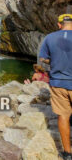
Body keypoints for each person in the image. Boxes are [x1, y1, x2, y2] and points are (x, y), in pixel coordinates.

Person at [39, 14, 72, 160]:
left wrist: (54, 60)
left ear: (59, 24)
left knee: (63, 116)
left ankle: (67, 153)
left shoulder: (49, 38)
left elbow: (43, 58)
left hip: (58, 82)